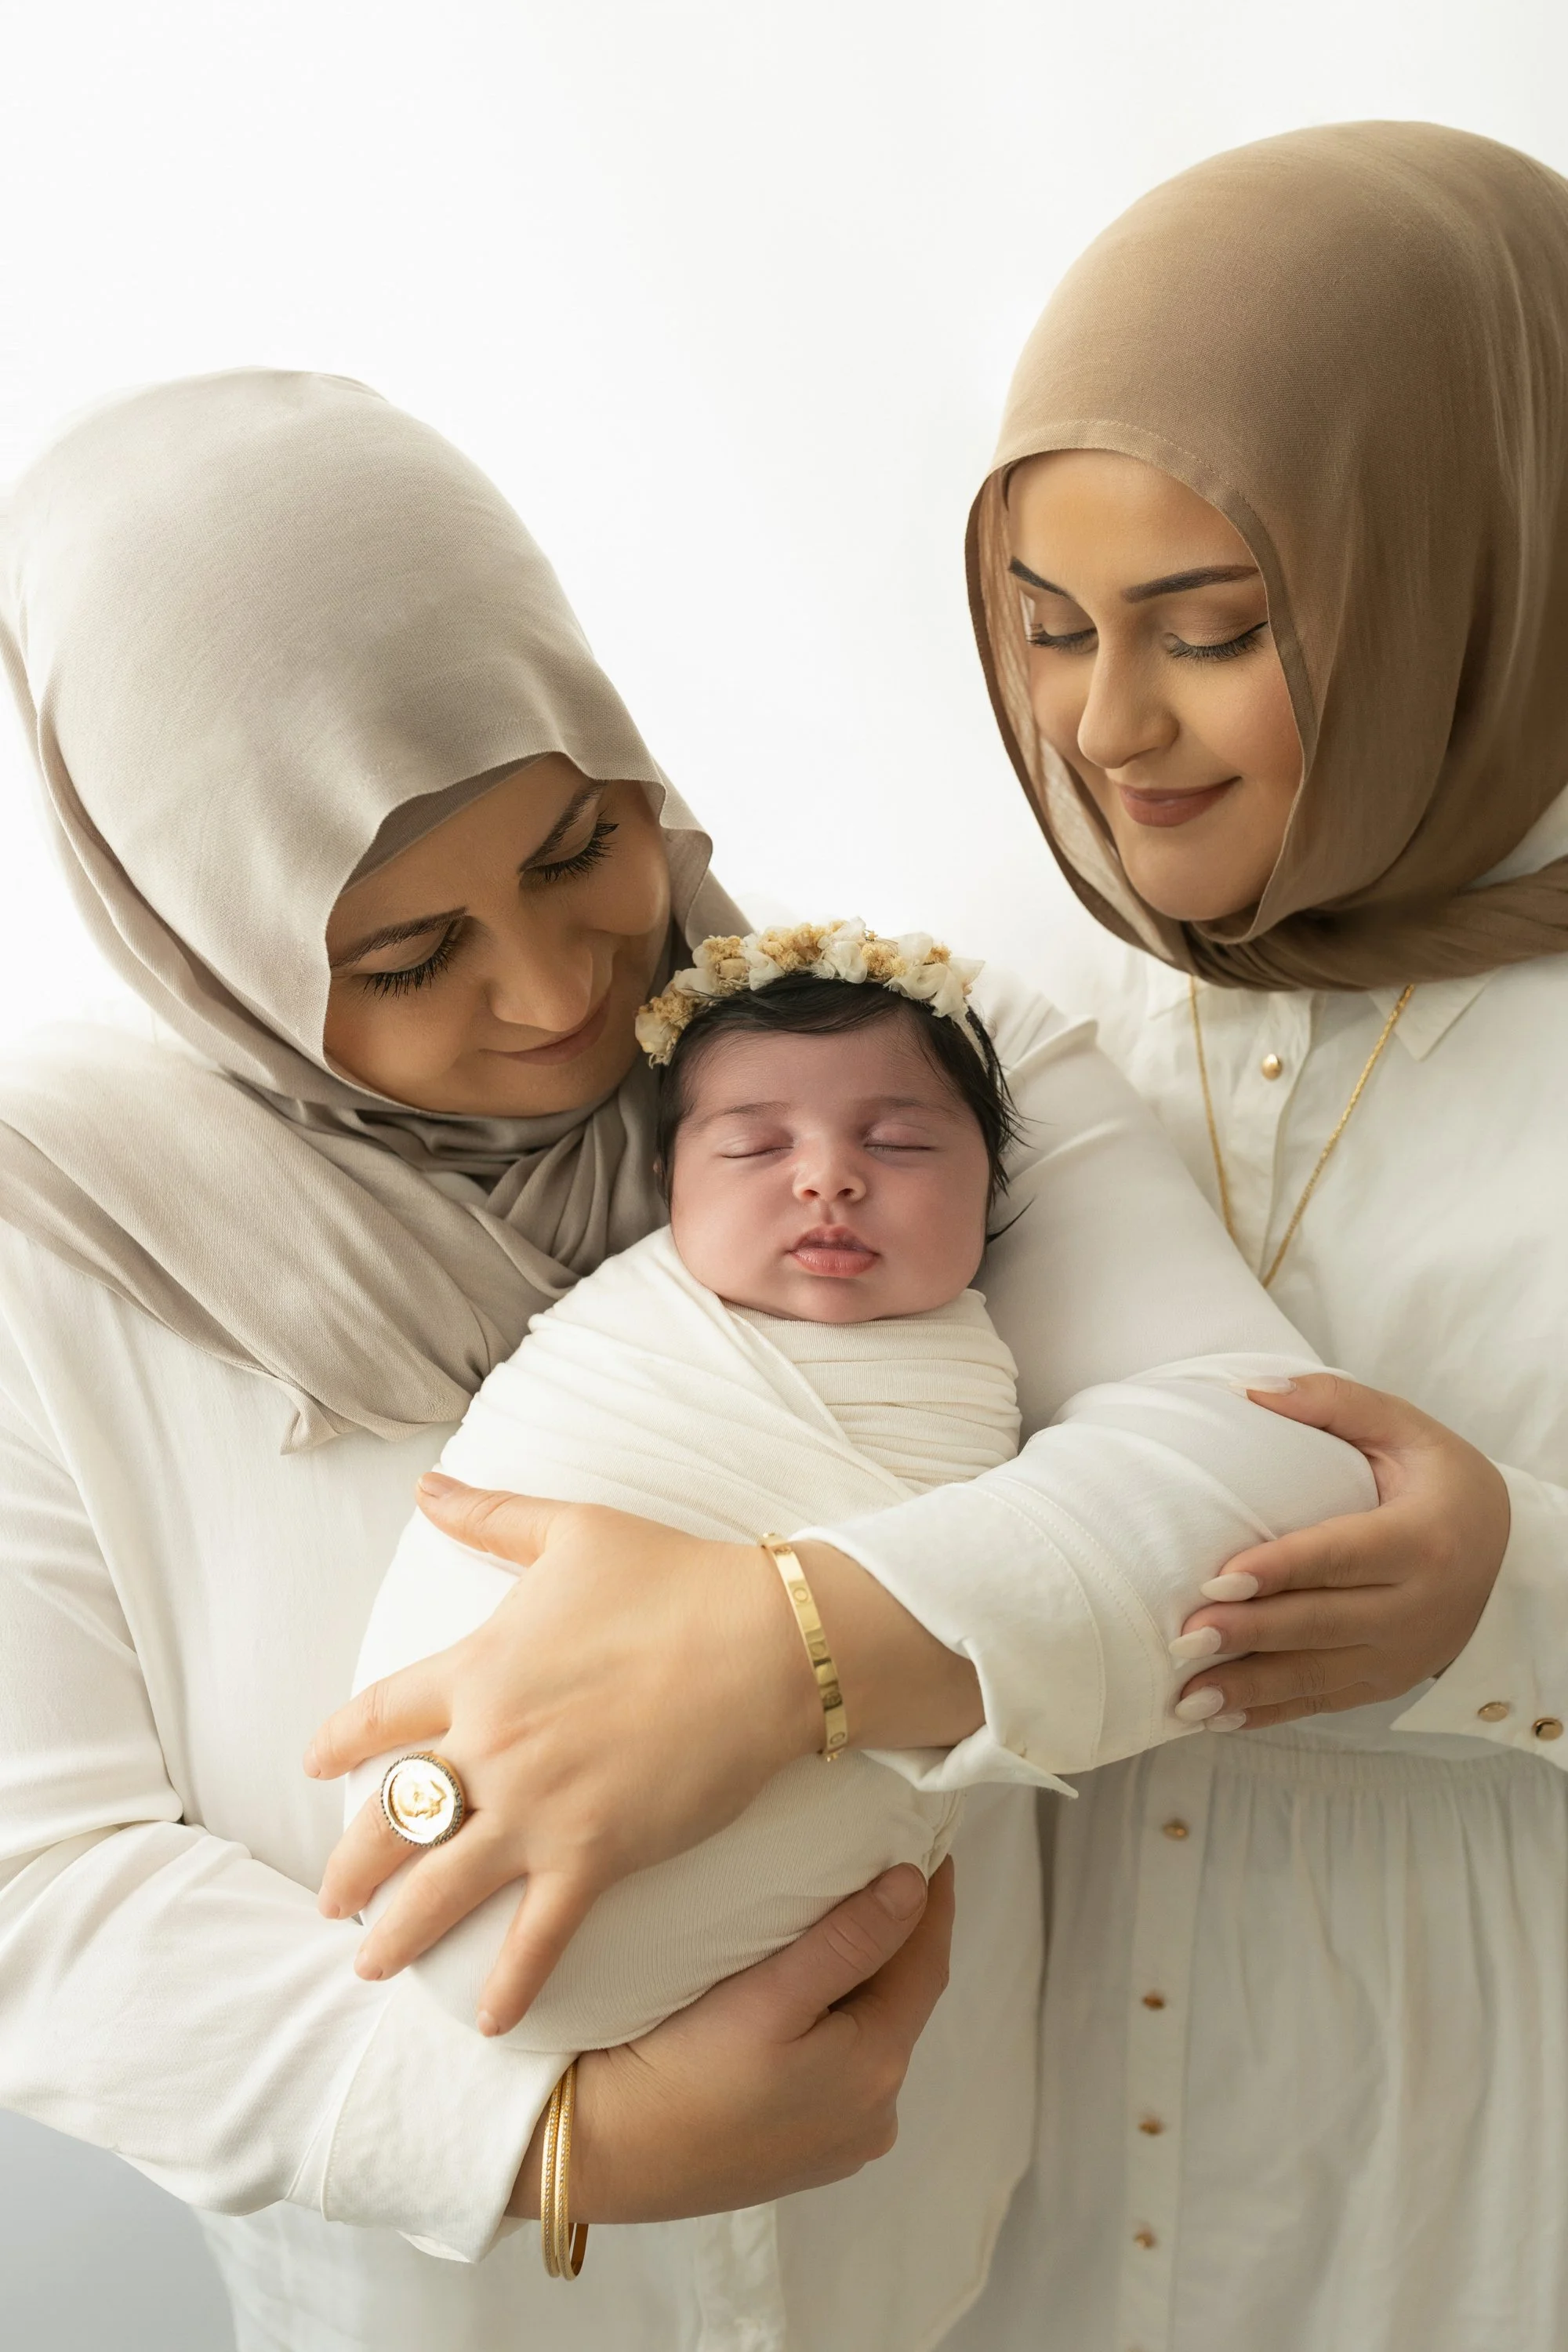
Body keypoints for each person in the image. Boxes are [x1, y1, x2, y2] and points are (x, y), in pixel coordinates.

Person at [0, 368, 1387, 2352]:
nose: (560, 989)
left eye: (579, 847)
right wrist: (553, 2134)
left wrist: (786, 1650)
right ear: (198, 932)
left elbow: (1266, 1469)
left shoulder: (888, 1064)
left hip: (972, 2282)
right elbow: (39, 1893)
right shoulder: (49, 1238)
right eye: (404, 959)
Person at [938, 120, 1568, 2352]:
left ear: (1467, 580)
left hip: (1473, 2126)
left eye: (1212, 635)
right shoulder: (1001, 990)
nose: (1110, 731)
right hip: (1016, 2111)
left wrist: (1520, 1604)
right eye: (1047, 632)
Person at [347, 936, 1029, 2101]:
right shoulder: (622, 1331)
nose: (827, 1178)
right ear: (670, 1186)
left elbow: (989, 1598)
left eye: (902, 1143)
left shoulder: (973, 1384)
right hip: (412, 2013)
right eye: (757, 1145)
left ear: (995, 1187)